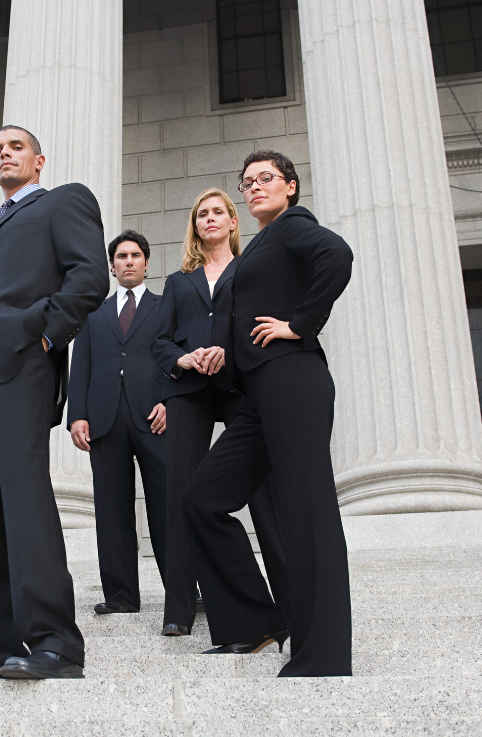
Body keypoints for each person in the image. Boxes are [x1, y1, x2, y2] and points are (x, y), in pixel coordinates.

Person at [0, 126, 108, 680]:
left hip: (21, 367)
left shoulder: (63, 200)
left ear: (39, 160)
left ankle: (56, 642)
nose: (2, 154)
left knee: (25, 500)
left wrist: (45, 337)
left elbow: (88, 278)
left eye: (14, 147)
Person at [182, 151, 354, 677]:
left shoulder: (293, 225)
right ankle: (257, 621)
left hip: (293, 380)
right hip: (258, 392)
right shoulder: (261, 244)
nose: (254, 187)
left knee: (306, 511)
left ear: (291, 187)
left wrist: (301, 323)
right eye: (248, 181)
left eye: (266, 179)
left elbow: (338, 256)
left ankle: (321, 656)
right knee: (203, 499)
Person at [150, 189, 289, 638]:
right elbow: (160, 342)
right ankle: (178, 610)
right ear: (194, 226)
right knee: (181, 492)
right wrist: (186, 359)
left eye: (217, 212)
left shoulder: (251, 268)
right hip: (189, 388)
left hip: (238, 384)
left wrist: (228, 352)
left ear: (233, 221)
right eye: (201, 214)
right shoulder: (178, 282)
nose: (209, 219)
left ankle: (285, 597)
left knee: (263, 492)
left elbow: (260, 324)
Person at [67, 230, 168, 617]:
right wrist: (77, 415)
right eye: (121, 256)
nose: (128, 261)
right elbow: (82, 367)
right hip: (105, 422)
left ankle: (183, 589)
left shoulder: (165, 306)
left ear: (146, 262)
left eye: (135, 255)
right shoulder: (94, 315)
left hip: (154, 418)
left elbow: (175, 357)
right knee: (111, 511)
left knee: (167, 507)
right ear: (112, 266)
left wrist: (170, 403)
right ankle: (121, 596)